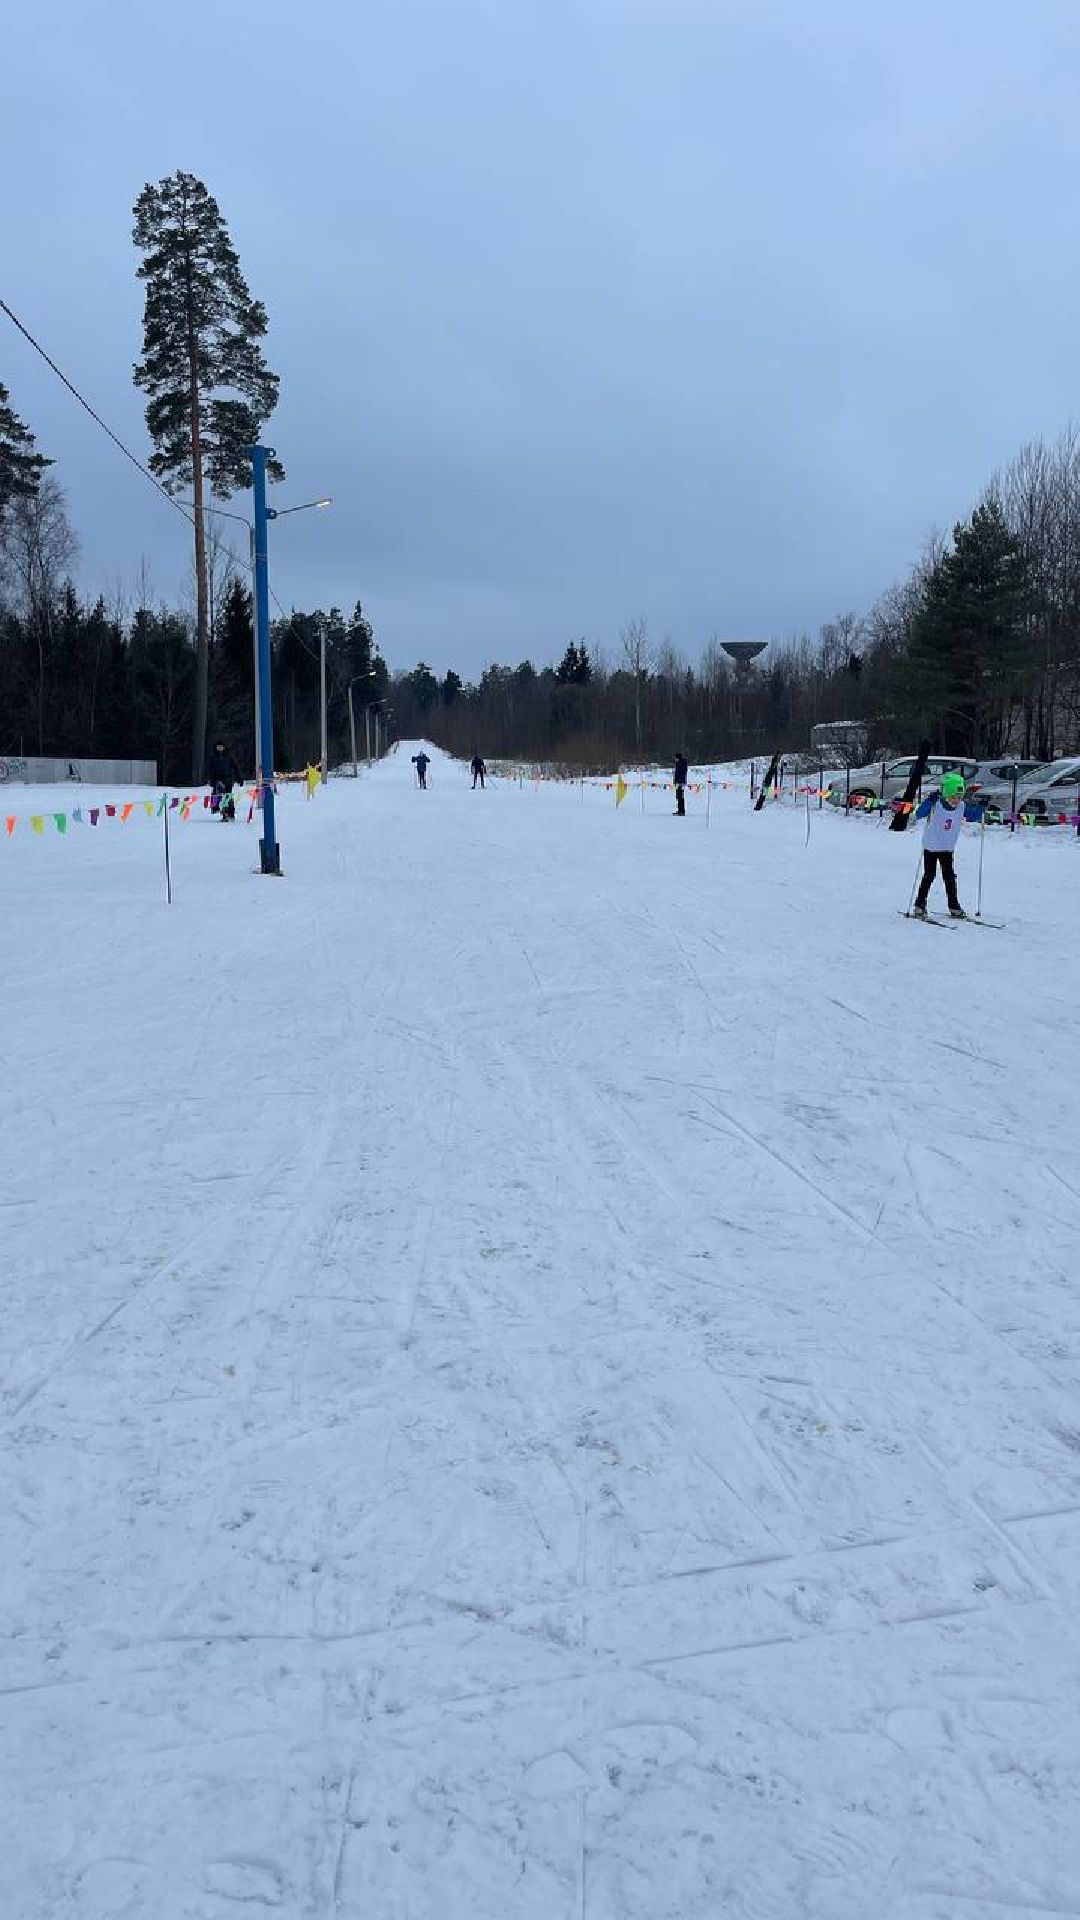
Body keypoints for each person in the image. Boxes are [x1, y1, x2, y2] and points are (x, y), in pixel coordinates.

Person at [912, 771, 967, 917]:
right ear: (945, 794)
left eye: (958, 797)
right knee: (929, 875)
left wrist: (981, 806)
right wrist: (929, 801)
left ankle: (954, 906)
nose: (955, 800)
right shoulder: (936, 804)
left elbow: (972, 815)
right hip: (931, 846)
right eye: (952, 797)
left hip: (947, 847)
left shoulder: (961, 806)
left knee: (949, 876)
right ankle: (919, 904)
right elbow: (920, 813)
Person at [207, 738, 240, 822]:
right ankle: (224, 814)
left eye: (221, 746)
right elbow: (210, 769)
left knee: (228, 797)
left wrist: (239, 777)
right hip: (217, 780)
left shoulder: (228, 756)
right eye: (218, 747)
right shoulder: (213, 757)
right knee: (219, 798)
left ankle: (231, 814)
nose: (220, 748)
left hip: (228, 779)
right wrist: (211, 780)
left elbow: (235, 767)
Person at [673, 751, 689, 817]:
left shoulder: (679, 764)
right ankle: (680, 810)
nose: (675, 759)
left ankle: (681, 811)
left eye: (676, 758)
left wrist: (676, 781)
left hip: (680, 783)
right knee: (680, 797)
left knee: (680, 797)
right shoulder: (681, 763)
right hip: (681, 782)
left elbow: (678, 774)